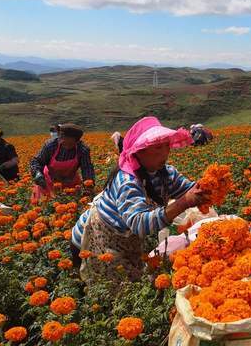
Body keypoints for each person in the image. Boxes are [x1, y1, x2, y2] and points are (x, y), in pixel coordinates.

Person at [70, 117, 210, 285]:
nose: (165, 152)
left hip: (124, 239)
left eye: (167, 145)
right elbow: (139, 224)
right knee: (109, 291)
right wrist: (183, 203)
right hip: (92, 240)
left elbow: (189, 189)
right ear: (139, 151)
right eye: (158, 147)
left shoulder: (166, 173)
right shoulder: (127, 182)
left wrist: (209, 185)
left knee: (131, 281)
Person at [30, 123, 95, 203]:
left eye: (70, 144)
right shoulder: (50, 146)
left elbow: (87, 168)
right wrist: (37, 174)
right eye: (64, 143)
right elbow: (37, 161)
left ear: (77, 141)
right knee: (43, 206)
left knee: (71, 207)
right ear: (60, 137)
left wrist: (88, 186)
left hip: (70, 183)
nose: (66, 147)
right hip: (47, 182)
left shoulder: (83, 150)